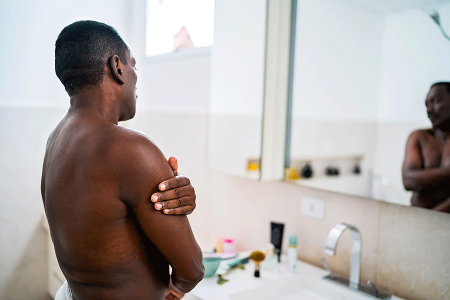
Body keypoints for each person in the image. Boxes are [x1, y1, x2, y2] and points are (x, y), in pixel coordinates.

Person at [41, 20, 204, 300]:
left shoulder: (56, 140)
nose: (136, 78)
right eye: (134, 67)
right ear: (117, 67)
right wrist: (176, 288)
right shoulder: (131, 149)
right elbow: (192, 269)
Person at [402, 82, 450, 213]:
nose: (429, 110)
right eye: (426, 104)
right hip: (419, 220)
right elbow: (408, 180)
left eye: (435, 101)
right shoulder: (419, 137)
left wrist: (432, 217)